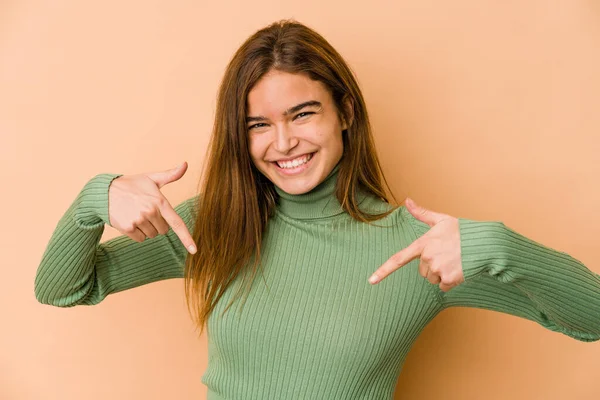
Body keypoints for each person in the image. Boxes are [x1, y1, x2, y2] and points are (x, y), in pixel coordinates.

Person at [34, 19, 600, 400]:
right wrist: (94, 199)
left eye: (303, 114)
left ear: (346, 112)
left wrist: (496, 246)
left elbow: (592, 319)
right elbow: (62, 287)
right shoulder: (218, 223)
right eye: (259, 124)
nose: (282, 143)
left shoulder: (416, 250)